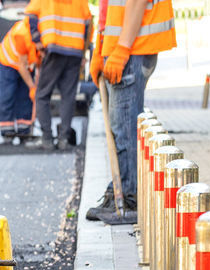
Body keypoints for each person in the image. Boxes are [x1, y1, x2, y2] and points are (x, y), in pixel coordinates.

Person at [86, 0, 175, 222]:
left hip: (132, 49)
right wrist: (100, 49)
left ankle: (127, 196)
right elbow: (109, 10)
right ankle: (121, 190)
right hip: (123, 48)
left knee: (125, 126)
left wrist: (122, 49)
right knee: (120, 125)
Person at [32, 0, 91, 149]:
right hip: (75, 51)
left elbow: (30, 14)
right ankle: (64, 139)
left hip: (54, 48)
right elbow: (88, 25)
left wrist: (37, 40)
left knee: (42, 95)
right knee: (68, 96)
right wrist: (84, 53)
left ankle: (47, 139)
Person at [0, 18, 39, 144]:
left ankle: (24, 129)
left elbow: (40, 64)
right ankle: (7, 130)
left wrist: (36, 86)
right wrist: (32, 86)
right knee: (8, 94)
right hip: (8, 61)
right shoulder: (21, 33)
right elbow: (21, 66)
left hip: (25, 64)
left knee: (25, 95)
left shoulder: (42, 35)